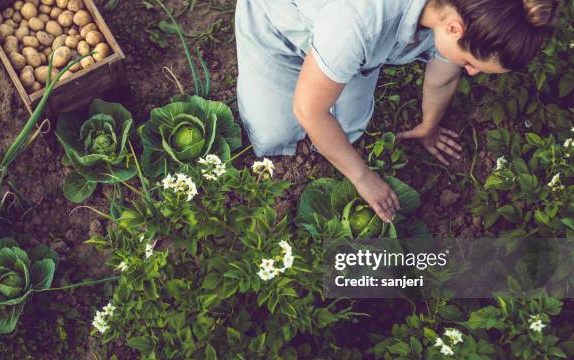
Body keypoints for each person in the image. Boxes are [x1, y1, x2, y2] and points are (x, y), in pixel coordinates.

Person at [235, 0, 561, 223]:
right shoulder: (360, 20)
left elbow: (444, 73)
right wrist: (364, 179)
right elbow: (309, 111)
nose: (471, 74)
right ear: (454, 29)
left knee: (350, 130)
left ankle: (336, 73)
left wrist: (428, 126)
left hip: (352, 51)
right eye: (471, 64)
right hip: (282, 30)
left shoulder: (462, 10)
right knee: (272, 136)